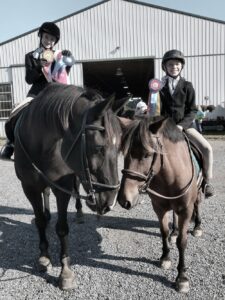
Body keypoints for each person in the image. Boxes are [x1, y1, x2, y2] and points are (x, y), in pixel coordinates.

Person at [0, 22, 75, 159]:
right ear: (41, 36)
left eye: (52, 39)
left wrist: (68, 60)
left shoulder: (58, 56)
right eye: (46, 37)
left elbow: (63, 75)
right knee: (14, 113)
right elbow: (29, 79)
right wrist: (39, 66)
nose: (49, 41)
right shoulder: (30, 56)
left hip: (55, 93)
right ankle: (11, 143)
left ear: (55, 42)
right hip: (36, 93)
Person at [159, 49, 214, 198]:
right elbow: (158, 110)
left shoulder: (187, 86)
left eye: (177, 64)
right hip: (165, 128)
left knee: (207, 148)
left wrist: (181, 126)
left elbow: (192, 110)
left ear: (181, 66)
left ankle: (207, 182)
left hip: (185, 127)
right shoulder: (159, 87)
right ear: (165, 67)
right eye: (170, 64)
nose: (174, 67)